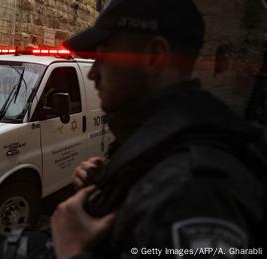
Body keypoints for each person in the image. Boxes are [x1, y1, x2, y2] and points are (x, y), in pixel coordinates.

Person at [49, 0, 265, 258]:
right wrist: (110, 186)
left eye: (103, 57)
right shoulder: (161, 147)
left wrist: (73, 250)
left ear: (154, 57)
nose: (92, 73)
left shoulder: (195, 191)